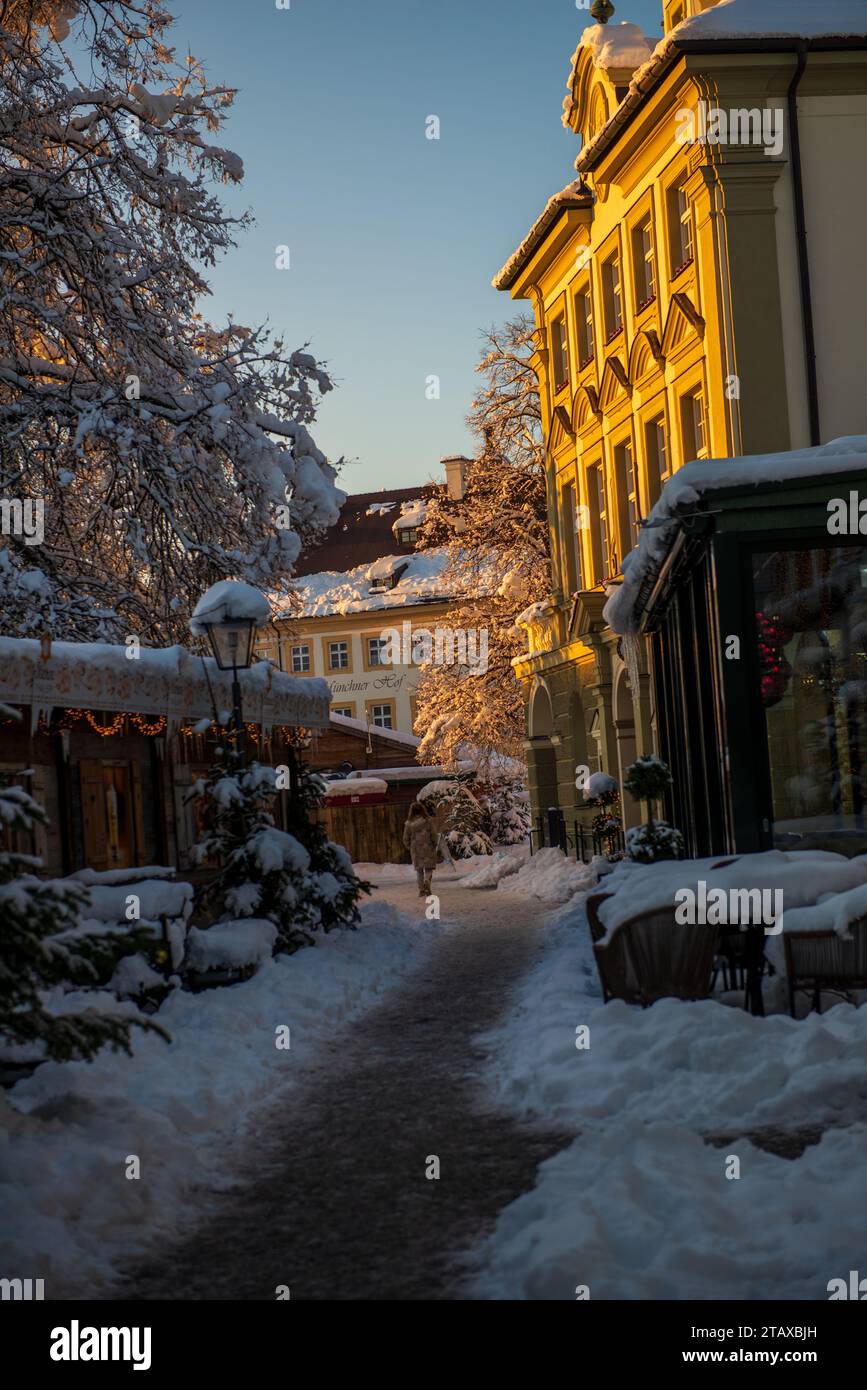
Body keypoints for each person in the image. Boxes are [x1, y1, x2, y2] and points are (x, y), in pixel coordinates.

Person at [403, 800, 438, 898]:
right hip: (428, 847)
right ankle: (427, 881)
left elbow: (405, 838)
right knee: (429, 868)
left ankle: (421, 890)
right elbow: (433, 834)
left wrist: (410, 847)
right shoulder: (428, 821)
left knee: (419, 870)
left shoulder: (409, 824)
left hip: (416, 849)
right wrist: (434, 844)